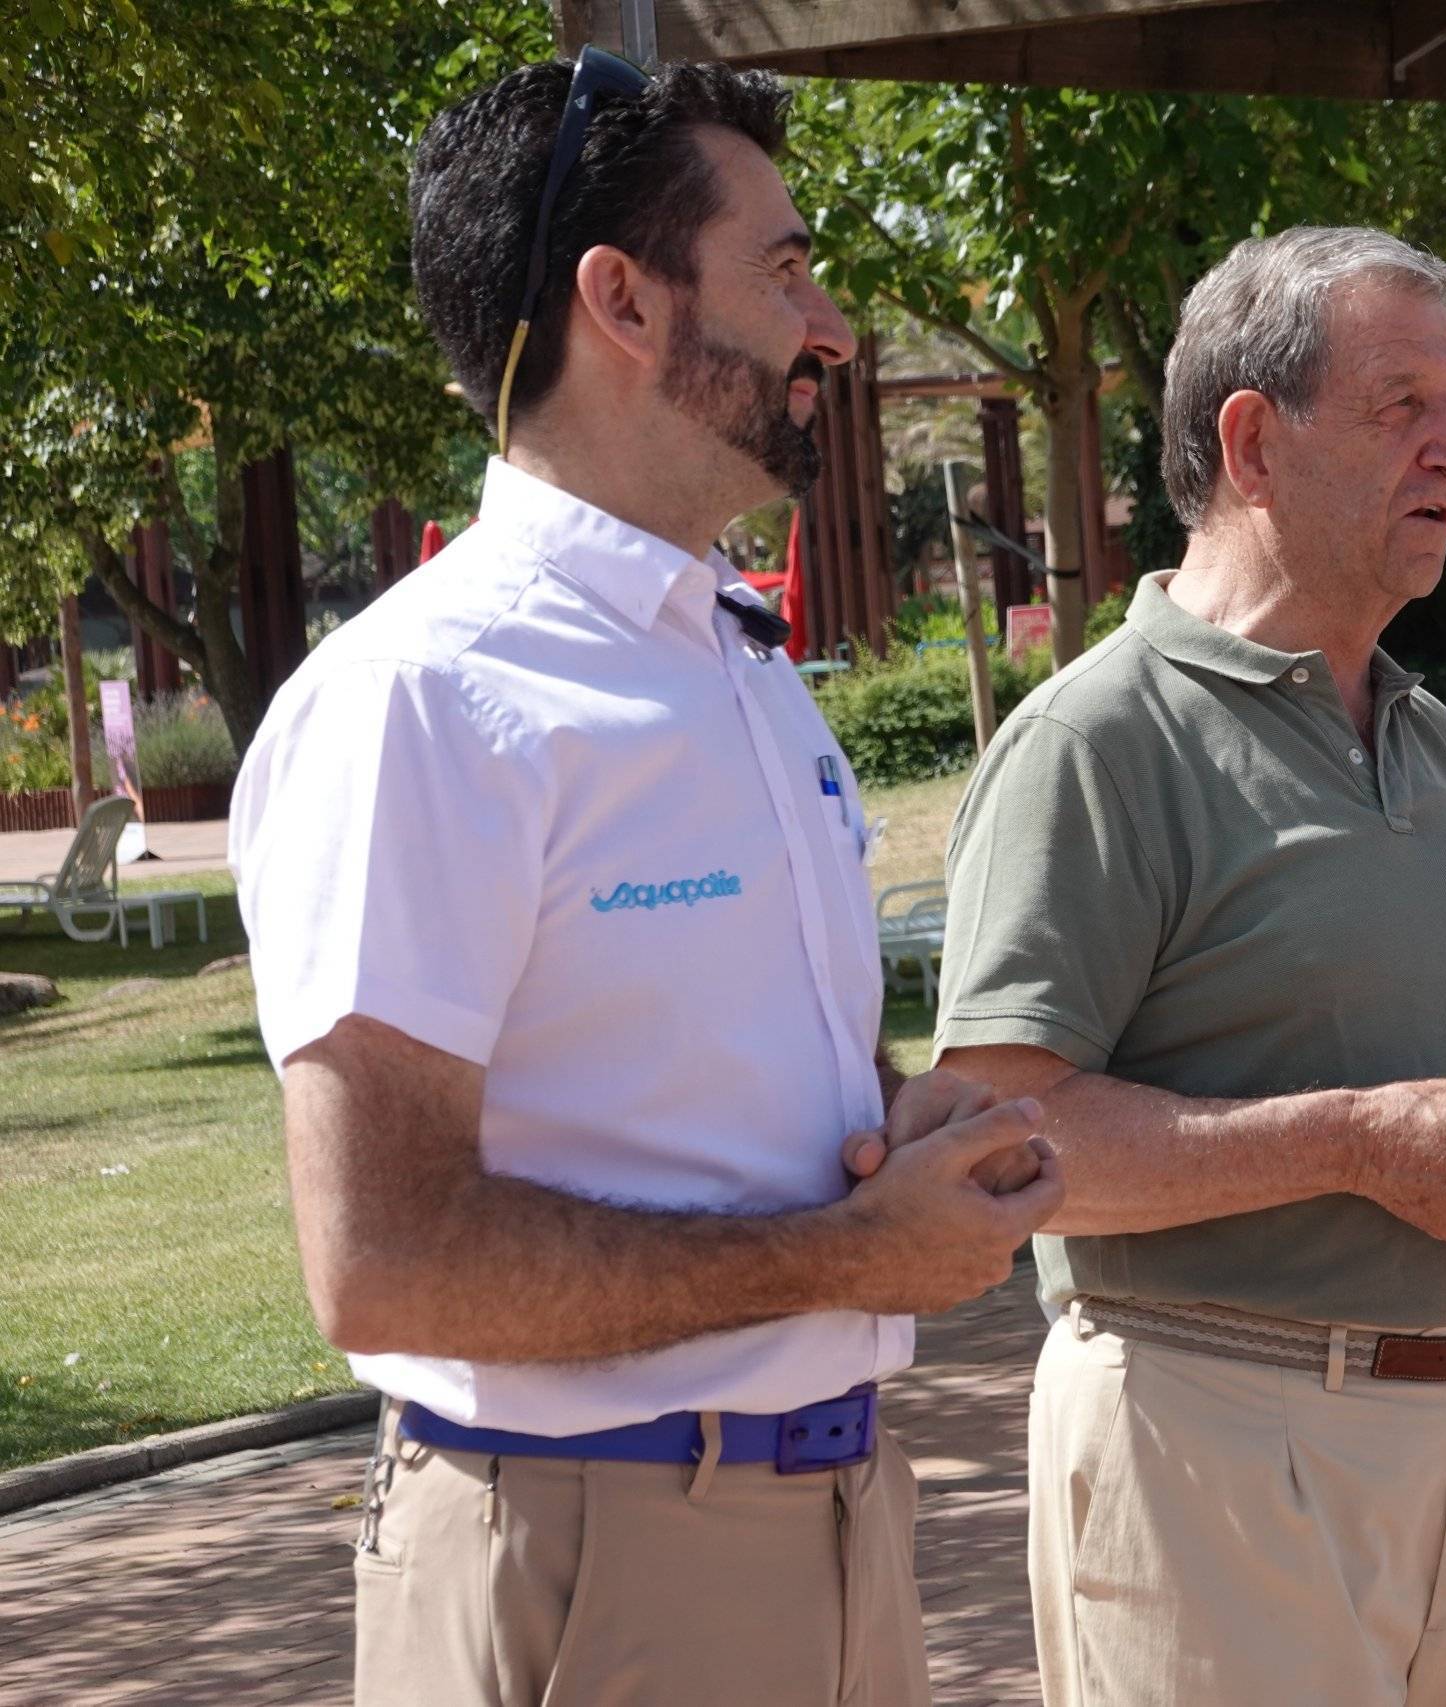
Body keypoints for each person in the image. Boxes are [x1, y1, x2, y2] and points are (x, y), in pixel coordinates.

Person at [229, 55, 1061, 1707]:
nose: (828, 326)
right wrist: (843, 1256)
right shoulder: (429, 699)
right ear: (620, 299)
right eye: (783, 268)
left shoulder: (735, 664)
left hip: (831, 1514)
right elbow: (383, 1260)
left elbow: (704, 1098)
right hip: (589, 1551)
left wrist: (903, 1142)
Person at [931, 226, 1446, 1707]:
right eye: (1404, 410)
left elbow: (1427, 1084)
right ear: (1253, 442)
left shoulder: (1426, 734)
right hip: (1223, 1444)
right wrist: (1352, 1147)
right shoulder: (1095, 745)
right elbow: (1002, 1144)